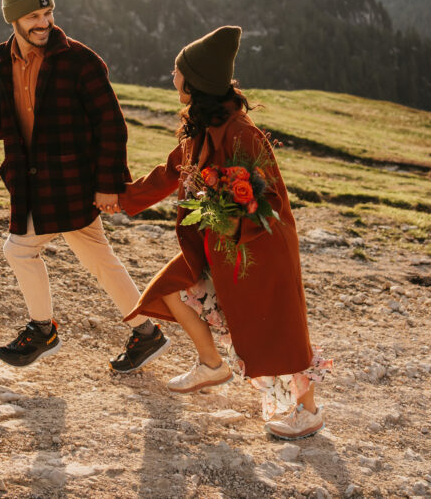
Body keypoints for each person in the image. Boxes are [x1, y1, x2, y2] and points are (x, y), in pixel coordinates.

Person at [109, 26, 330, 440]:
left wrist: (231, 220)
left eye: (177, 71)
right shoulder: (199, 128)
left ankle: (309, 411)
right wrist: (119, 198)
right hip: (219, 244)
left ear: (195, 81)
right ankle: (212, 365)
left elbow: (272, 203)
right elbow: (170, 174)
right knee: (170, 289)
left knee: (276, 328)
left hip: (259, 249)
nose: (172, 78)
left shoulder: (243, 133)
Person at [0, 0, 169, 373]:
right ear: (14, 19)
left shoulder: (79, 60)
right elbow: (7, 124)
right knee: (94, 259)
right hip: (32, 182)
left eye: (48, 13)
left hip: (72, 182)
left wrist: (109, 184)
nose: (43, 23)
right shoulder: (4, 66)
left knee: (26, 250)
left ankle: (45, 331)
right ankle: (145, 334)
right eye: (33, 17)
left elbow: (110, 124)